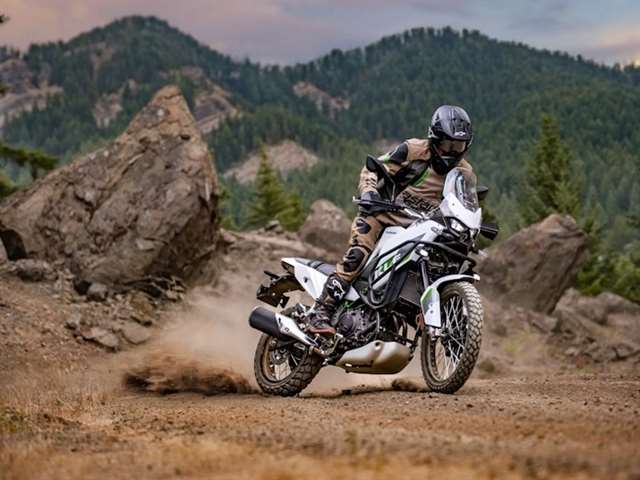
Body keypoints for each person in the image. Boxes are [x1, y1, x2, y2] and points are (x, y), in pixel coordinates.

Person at [307, 105, 475, 336]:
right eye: (448, 144)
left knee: (442, 262)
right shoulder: (413, 151)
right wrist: (369, 192)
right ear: (435, 139)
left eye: (459, 146)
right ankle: (321, 312)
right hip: (382, 215)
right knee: (356, 257)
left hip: (420, 229)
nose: (452, 151)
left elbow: (466, 204)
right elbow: (372, 168)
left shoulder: (465, 173)